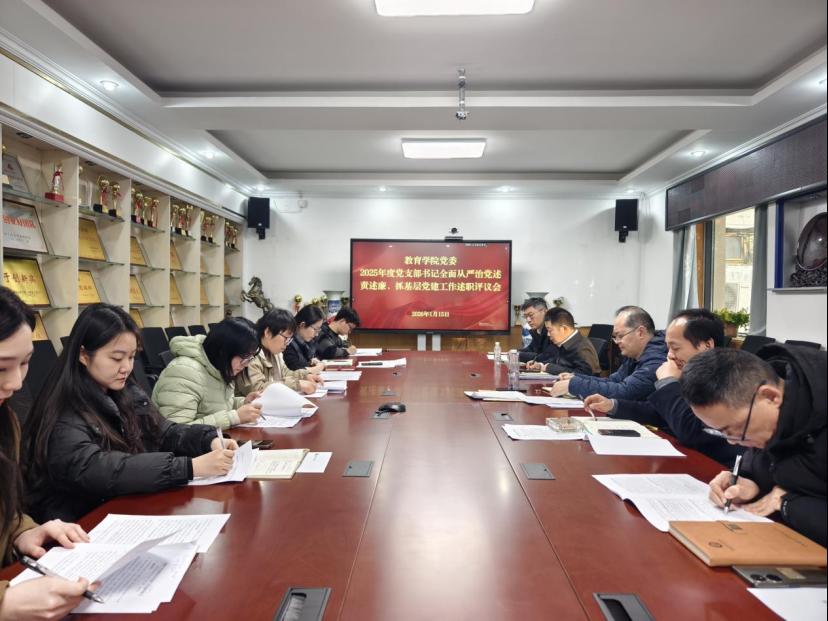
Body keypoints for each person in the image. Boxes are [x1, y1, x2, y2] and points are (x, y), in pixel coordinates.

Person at [21, 304, 239, 523]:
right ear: (84, 355)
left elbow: (162, 431)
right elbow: (101, 469)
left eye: (132, 357)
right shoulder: (63, 409)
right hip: (81, 521)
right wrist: (189, 468)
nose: (126, 367)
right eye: (117, 358)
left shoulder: (123, 390)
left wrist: (208, 440)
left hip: (121, 506)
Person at [0, 287, 96, 618]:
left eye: (25, 363)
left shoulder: (6, 420)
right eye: (1, 368)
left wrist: (23, 531)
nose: (15, 383)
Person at [680, 346, 826, 547]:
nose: (732, 442)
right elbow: (772, 468)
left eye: (736, 431)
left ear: (770, 397)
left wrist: (788, 502)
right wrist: (750, 483)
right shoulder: (774, 418)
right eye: (722, 433)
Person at [583, 309, 743, 465]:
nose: (670, 355)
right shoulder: (693, 374)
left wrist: (667, 383)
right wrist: (613, 405)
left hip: (715, 468)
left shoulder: (731, 380)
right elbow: (658, 413)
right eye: (668, 348)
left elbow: (691, 431)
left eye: (676, 348)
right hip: (683, 459)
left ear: (706, 345)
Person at [152, 317, 262, 428]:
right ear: (224, 351)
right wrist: (233, 417)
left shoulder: (218, 367)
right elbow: (177, 430)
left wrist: (243, 403)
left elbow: (216, 405)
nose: (246, 364)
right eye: (244, 357)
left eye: (250, 358)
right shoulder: (184, 372)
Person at [550, 306, 666, 399]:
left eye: (620, 336)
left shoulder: (657, 359)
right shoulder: (634, 354)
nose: (617, 342)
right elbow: (613, 381)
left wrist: (574, 385)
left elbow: (625, 391)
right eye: (615, 337)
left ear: (640, 332)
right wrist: (575, 378)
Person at [236, 308, 322, 397]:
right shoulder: (250, 354)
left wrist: (305, 376)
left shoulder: (274, 352)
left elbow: (286, 373)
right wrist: (297, 384)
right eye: (286, 338)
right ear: (268, 332)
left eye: (289, 340)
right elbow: (257, 389)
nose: (287, 344)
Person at [528, 308, 600, 376]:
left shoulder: (582, 347)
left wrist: (550, 368)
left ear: (564, 329)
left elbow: (586, 376)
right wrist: (540, 365)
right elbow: (555, 360)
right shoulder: (564, 342)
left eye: (550, 330)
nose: (548, 334)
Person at [283, 305, 326, 371]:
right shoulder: (287, 341)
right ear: (302, 325)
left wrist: (312, 362)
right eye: (315, 329)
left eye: (318, 330)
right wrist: (316, 367)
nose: (317, 334)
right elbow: (293, 368)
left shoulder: (307, 341)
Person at [518, 298, 558, 363]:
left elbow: (545, 357)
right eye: (525, 317)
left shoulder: (553, 331)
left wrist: (518, 355)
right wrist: (515, 352)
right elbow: (530, 349)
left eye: (531, 315)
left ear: (545, 312)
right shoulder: (537, 331)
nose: (528, 320)